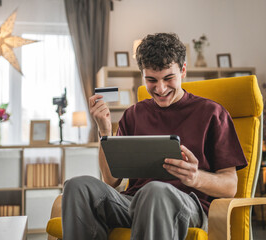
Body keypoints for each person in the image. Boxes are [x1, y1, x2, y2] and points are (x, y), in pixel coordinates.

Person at [61, 33, 247, 240]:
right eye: (151, 80)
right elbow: (111, 180)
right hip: (133, 203)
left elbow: (230, 186)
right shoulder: (133, 114)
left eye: (169, 78)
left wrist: (196, 177)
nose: (160, 89)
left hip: (187, 205)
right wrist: (104, 131)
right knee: (77, 186)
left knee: (155, 191)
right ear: (143, 76)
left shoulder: (213, 113)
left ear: (183, 70)